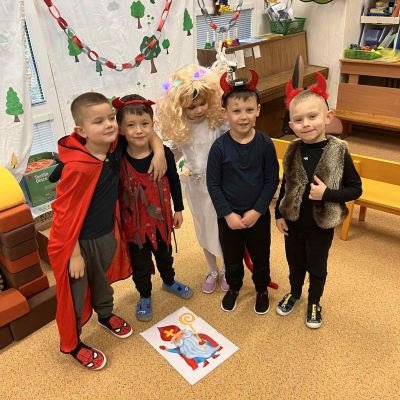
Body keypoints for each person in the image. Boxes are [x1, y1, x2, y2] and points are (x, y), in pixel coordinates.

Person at [48, 92, 166, 370]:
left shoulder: (112, 147)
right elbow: (63, 215)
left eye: (111, 118)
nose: (110, 124)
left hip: (104, 235)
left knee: (101, 282)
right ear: (81, 131)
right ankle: (72, 344)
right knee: (76, 296)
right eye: (98, 121)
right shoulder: (77, 167)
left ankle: (104, 314)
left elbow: (147, 132)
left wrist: (160, 152)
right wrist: (74, 254)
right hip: (77, 244)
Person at [275, 73, 362, 329]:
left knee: (317, 266)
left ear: (328, 117)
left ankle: (314, 301)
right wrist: (279, 214)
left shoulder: (339, 150)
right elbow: (286, 184)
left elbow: (355, 189)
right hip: (293, 224)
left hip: (320, 227)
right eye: (298, 120)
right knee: (295, 264)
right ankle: (295, 292)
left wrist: (327, 194)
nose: (306, 124)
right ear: (291, 124)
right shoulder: (292, 149)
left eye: (312, 116)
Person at [113, 94, 192, 322]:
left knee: (165, 256)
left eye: (144, 124)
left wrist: (179, 209)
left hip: (161, 221)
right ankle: (145, 295)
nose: (138, 130)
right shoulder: (118, 156)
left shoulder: (164, 153)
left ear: (152, 124)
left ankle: (169, 281)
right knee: (140, 265)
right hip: (134, 227)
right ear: (121, 129)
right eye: (131, 125)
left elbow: (174, 181)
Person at [206, 70, 280, 314]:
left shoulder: (265, 143)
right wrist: (227, 214)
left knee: (261, 255)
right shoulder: (219, 148)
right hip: (229, 217)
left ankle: (261, 289)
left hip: (258, 216)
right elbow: (213, 184)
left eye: (249, 110)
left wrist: (258, 211)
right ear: (224, 113)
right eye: (236, 111)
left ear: (258, 110)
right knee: (232, 257)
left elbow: (271, 180)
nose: (243, 116)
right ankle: (234, 287)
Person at [156, 64, 230, 294]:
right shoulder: (181, 129)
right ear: (180, 107)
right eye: (191, 106)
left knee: (222, 228)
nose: (198, 110)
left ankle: (228, 268)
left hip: (221, 185)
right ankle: (212, 269)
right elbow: (172, 153)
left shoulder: (216, 123)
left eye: (202, 103)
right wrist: (158, 157)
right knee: (203, 227)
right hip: (197, 187)